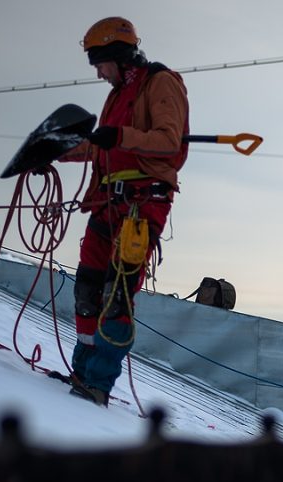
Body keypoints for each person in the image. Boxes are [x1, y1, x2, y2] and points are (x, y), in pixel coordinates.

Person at [58, 16, 189, 405]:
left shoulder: (160, 83)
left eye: (99, 63)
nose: (98, 73)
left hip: (141, 205)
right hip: (106, 204)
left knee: (116, 297)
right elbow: (104, 146)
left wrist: (121, 135)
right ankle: (81, 374)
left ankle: (97, 384)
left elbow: (169, 143)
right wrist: (58, 153)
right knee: (87, 291)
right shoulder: (116, 96)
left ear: (117, 55)